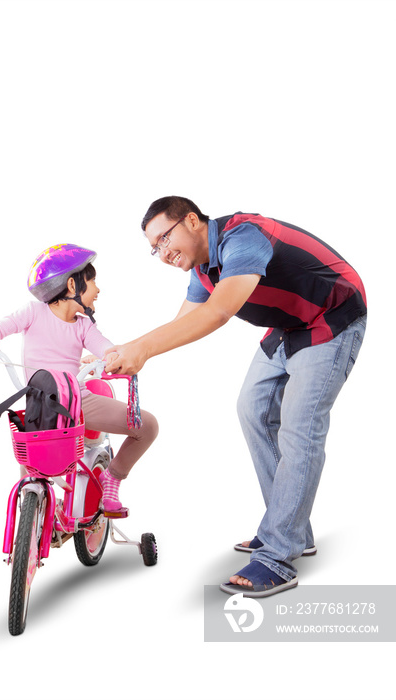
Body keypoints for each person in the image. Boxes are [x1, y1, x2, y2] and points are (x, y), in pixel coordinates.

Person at [104, 196, 367, 597]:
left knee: (300, 427)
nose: (162, 252)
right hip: (290, 326)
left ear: (192, 220)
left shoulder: (243, 236)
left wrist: (142, 349)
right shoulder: (201, 269)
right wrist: (127, 350)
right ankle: (294, 530)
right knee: (253, 410)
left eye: (165, 238)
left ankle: (279, 554)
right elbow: (183, 322)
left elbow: (218, 313)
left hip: (330, 317)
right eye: (154, 247)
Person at [0, 243, 159, 516]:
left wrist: (111, 358)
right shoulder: (34, 312)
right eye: (93, 282)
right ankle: (33, 518)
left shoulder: (84, 326)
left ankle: (112, 477)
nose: (98, 290)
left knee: (147, 426)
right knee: (29, 469)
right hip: (40, 406)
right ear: (72, 285)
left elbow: (106, 347)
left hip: (79, 403)